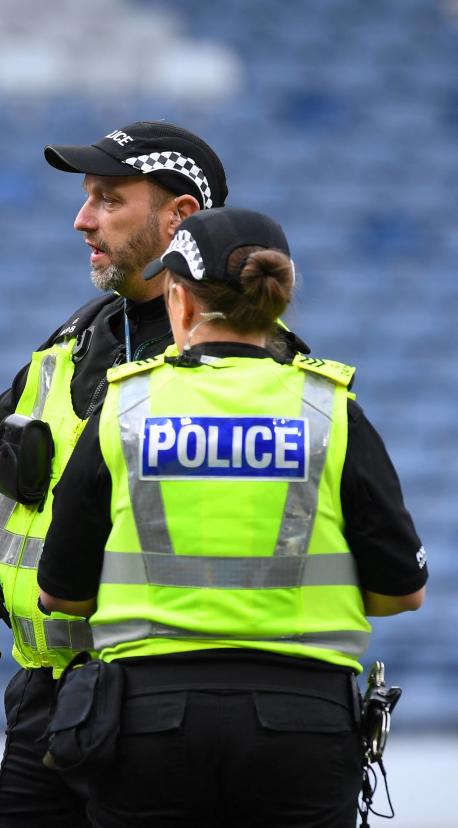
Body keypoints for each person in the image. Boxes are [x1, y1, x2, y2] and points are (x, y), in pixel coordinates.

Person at [0, 121, 268, 827]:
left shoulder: (244, 359)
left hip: (165, 705)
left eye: (108, 199)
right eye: (85, 198)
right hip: (49, 701)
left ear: (180, 216)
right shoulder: (76, 338)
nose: (82, 219)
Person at [39, 207, 427, 827]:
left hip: (148, 720)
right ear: (277, 302)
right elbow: (404, 591)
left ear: (180, 302)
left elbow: (59, 595)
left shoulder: (125, 405)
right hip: (303, 720)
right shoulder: (329, 408)